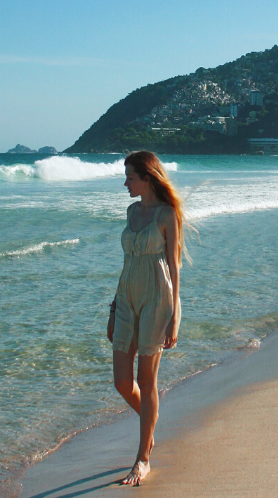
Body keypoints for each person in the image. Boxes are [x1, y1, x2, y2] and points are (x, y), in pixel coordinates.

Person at [107, 151, 187, 486]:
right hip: (127, 297)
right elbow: (127, 263)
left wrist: (175, 315)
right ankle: (149, 422)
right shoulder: (131, 211)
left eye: (130, 177)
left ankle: (143, 459)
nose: (126, 183)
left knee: (148, 380)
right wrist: (113, 308)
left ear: (147, 178)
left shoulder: (167, 214)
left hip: (157, 299)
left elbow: (174, 266)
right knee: (122, 382)